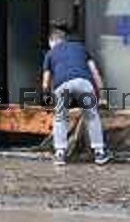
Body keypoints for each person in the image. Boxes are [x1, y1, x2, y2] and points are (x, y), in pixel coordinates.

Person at [41, 26, 112, 166]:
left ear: (52, 41)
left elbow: (46, 80)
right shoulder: (80, 48)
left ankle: (60, 154)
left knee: (60, 117)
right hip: (84, 83)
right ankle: (99, 153)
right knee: (92, 116)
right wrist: (102, 97)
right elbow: (95, 73)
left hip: (62, 85)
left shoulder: (50, 53)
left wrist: (46, 96)